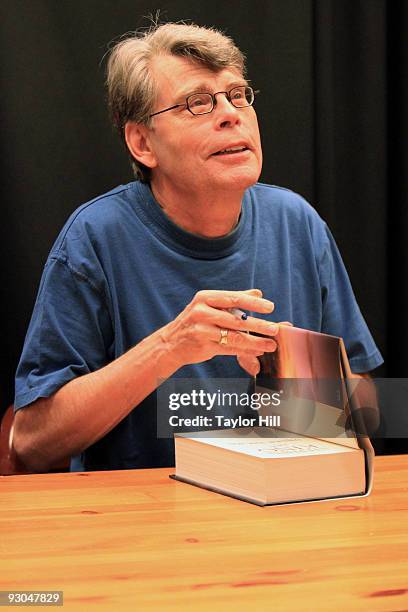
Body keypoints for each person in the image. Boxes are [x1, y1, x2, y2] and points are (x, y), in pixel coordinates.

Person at [13, 22, 383, 472]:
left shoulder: (297, 221)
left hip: (283, 508)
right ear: (142, 143)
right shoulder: (94, 237)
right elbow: (31, 443)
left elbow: (369, 408)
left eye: (238, 95)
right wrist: (172, 346)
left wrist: (298, 376)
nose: (231, 114)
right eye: (198, 102)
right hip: (145, 519)